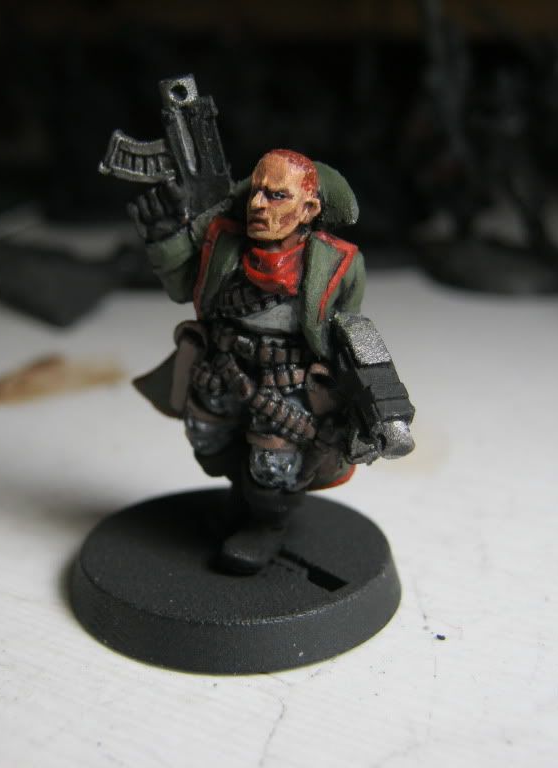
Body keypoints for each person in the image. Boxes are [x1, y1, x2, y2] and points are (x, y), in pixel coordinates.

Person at [129, 149, 415, 574]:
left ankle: (266, 524)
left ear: (309, 209)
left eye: (277, 195)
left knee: (275, 463)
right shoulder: (224, 242)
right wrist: (165, 238)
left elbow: (352, 329)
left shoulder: (336, 262)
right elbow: (182, 286)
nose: (259, 205)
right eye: (256, 193)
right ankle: (239, 500)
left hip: (288, 379)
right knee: (207, 437)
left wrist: (385, 407)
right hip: (222, 365)